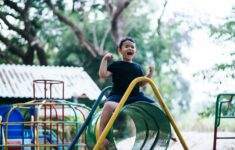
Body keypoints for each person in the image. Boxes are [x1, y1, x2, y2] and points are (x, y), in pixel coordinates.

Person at [98, 37, 155, 149]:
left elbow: (142, 83)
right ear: (120, 49)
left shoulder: (137, 67)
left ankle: (165, 132)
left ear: (135, 51)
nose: (130, 48)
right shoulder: (116, 65)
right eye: (127, 46)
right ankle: (101, 136)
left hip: (135, 96)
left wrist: (150, 73)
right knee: (108, 105)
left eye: (132, 47)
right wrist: (104, 59)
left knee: (154, 105)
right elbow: (103, 75)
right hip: (118, 96)